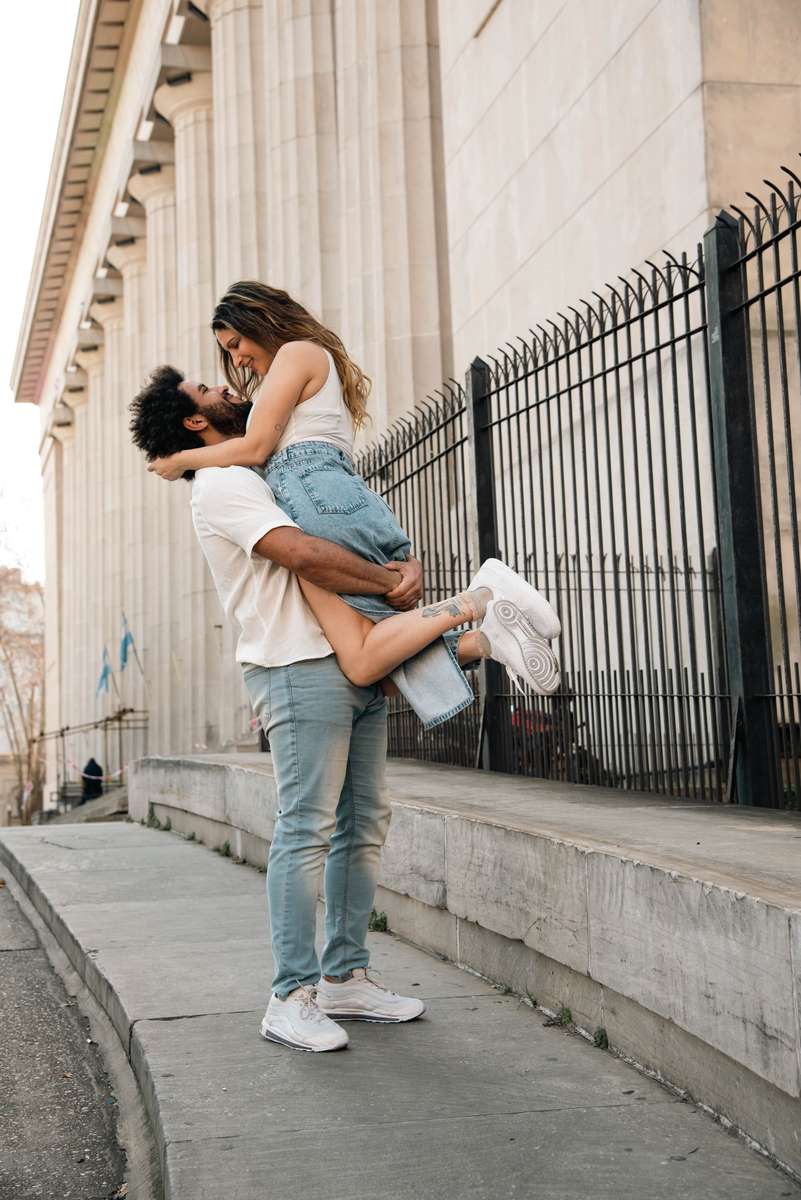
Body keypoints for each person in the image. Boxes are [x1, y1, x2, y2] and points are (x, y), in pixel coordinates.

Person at [129, 370, 555, 1054]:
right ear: (193, 423)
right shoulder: (223, 485)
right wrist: (391, 581)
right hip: (296, 669)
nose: (228, 388)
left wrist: (396, 561)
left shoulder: (257, 466)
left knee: (362, 825)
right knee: (305, 830)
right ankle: (288, 996)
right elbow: (298, 553)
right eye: (208, 388)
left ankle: (346, 978)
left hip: (347, 654)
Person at [146, 282, 561, 710]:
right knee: (365, 665)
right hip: (319, 490)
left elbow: (255, 447)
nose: (236, 361)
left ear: (261, 321)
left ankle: (484, 595)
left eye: (236, 344)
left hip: (309, 493)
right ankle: (487, 638)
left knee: (366, 656)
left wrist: (182, 461)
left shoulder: (296, 354)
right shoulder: (298, 367)